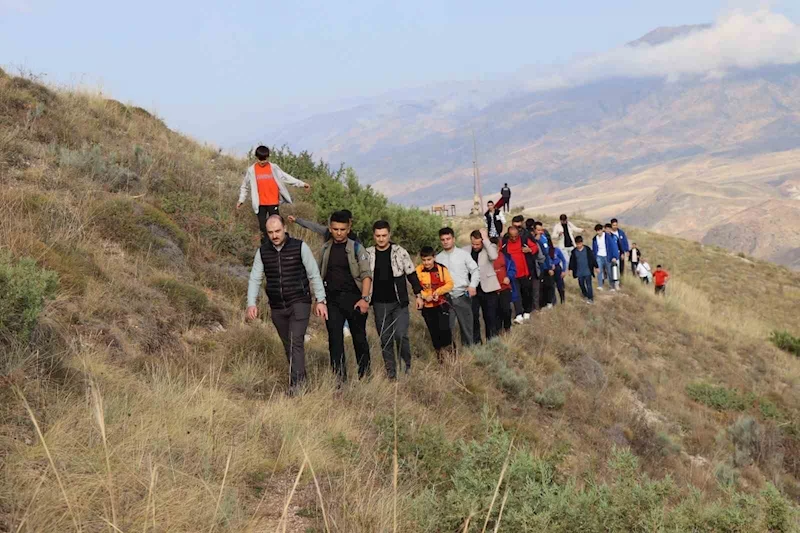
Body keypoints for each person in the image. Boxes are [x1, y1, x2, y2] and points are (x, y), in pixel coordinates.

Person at [246, 215, 328, 392]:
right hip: (277, 306)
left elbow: (314, 274)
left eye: (277, 231)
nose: (275, 235)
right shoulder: (262, 252)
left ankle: (296, 387)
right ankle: (301, 380)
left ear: (284, 228)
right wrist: (251, 303)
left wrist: (320, 300)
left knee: (295, 342)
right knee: (288, 346)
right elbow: (255, 278)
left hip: (299, 302)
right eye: (270, 232)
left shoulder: (300, 247)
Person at [318, 211, 373, 382]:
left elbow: (366, 275)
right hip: (332, 301)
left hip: (354, 300)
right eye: (335, 229)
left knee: (359, 339)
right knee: (335, 341)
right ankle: (339, 380)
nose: (339, 233)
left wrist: (364, 299)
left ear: (348, 229)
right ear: (330, 228)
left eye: (342, 229)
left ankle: (365, 376)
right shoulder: (325, 249)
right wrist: (319, 300)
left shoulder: (357, 248)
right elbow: (319, 275)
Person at [365, 220, 423, 379]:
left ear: (389, 235)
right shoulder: (368, 254)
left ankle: (406, 368)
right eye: (378, 236)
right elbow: (362, 277)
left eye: (384, 235)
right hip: (379, 304)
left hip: (399, 303)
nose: (381, 239)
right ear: (374, 236)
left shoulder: (399, 252)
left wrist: (418, 295)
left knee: (401, 335)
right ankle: (391, 372)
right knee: (385, 338)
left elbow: (411, 274)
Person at [237, 145, 310, 238]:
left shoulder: (273, 168)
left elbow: (286, 177)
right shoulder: (251, 170)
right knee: (263, 228)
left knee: (276, 225)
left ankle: (279, 243)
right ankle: (266, 245)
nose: (262, 162)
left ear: (268, 157)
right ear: (256, 157)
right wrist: (241, 199)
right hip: (260, 203)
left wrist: (302, 184)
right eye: (260, 159)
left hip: (273, 202)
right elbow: (244, 186)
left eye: (264, 159)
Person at [436, 228, 479, 347]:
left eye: (448, 239)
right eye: (443, 239)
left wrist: (472, 285)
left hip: (462, 295)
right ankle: (451, 353)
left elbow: (475, 270)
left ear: (453, 239)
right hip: (445, 298)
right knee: (447, 329)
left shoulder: (463, 255)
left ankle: (469, 352)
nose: (446, 242)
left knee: (467, 328)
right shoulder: (438, 258)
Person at [416, 247, 454, 360]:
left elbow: (450, 284)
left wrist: (438, 292)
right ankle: (440, 356)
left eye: (429, 259)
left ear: (434, 258)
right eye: (424, 260)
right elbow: (416, 287)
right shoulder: (418, 270)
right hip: (427, 307)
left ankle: (451, 354)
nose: (426, 263)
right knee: (433, 331)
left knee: (445, 329)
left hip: (441, 304)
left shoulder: (441, 269)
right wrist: (424, 296)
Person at [465, 229, 500, 343]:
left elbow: (494, 256)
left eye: (478, 244)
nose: (475, 246)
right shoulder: (465, 250)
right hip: (472, 289)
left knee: (490, 317)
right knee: (473, 316)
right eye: (473, 244)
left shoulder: (490, 247)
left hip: (488, 288)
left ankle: (492, 341)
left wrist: (486, 240)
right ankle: (476, 342)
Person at [501, 223, 538, 322]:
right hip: (512, 274)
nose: (514, 238)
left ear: (518, 234)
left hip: (525, 272)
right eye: (511, 236)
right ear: (508, 235)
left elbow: (535, 247)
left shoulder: (524, 240)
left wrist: (529, 249)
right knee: (515, 294)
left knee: (526, 292)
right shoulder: (504, 243)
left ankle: (527, 311)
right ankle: (518, 313)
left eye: (515, 236)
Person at [491, 236, 517, 333]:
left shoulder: (505, 257)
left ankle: (507, 328)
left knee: (506, 309)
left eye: (496, 248)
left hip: (504, 287)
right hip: (492, 289)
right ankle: (498, 331)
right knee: (495, 311)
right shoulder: (485, 259)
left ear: (499, 247)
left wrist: (508, 277)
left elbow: (512, 269)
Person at [568, 236, 598, 304]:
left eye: (579, 244)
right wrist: (570, 269)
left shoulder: (587, 249)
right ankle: (585, 295)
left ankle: (590, 298)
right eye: (577, 244)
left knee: (589, 285)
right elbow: (572, 261)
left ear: (582, 243)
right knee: (581, 284)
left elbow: (592, 258)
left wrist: (596, 267)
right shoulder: (574, 252)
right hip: (579, 272)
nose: (578, 245)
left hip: (587, 271)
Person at [533, 221, 555, 309]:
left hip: (547, 265)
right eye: (538, 230)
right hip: (539, 267)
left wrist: (551, 264)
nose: (540, 232)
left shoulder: (545, 238)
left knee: (549, 285)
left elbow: (548, 252)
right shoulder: (533, 240)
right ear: (534, 230)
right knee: (541, 287)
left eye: (541, 230)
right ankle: (541, 304)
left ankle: (549, 302)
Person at [592, 223, 619, 292]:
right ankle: (600, 285)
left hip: (607, 256)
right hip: (599, 256)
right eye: (597, 231)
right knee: (599, 271)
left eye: (600, 230)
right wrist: (594, 258)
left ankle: (612, 286)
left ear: (602, 230)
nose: (599, 232)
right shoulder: (595, 239)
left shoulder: (607, 237)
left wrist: (614, 256)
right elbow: (594, 249)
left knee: (609, 271)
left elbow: (613, 247)